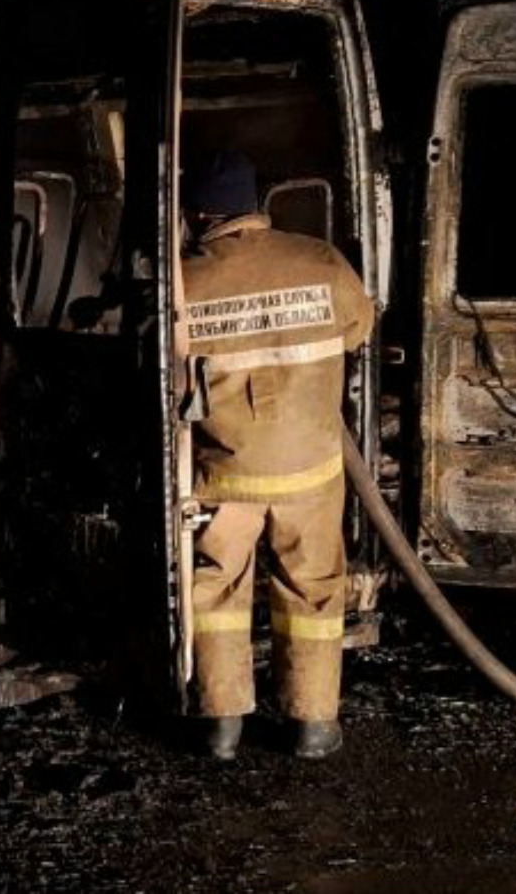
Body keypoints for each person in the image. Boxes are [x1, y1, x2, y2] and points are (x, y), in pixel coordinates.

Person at [178, 149, 374, 760]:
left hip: (226, 475)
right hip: (310, 471)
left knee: (215, 589)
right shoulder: (320, 260)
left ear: (199, 214)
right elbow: (358, 330)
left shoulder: (183, 282)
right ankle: (312, 726)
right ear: (253, 206)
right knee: (312, 590)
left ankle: (221, 725)